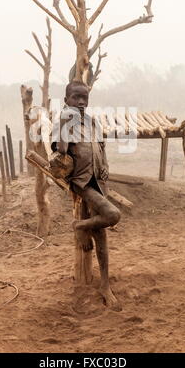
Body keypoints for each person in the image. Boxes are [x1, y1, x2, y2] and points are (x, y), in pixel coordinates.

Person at [50, 81, 121, 310]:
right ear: (66, 101)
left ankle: (105, 285)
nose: (81, 102)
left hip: (98, 181)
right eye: (75, 98)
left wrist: (106, 166)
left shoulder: (93, 122)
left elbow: (102, 148)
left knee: (101, 234)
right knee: (112, 214)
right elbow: (60, 150)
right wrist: (64, 120)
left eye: (84, 98)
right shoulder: (63, 120)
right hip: (81, 181)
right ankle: (80, 225)